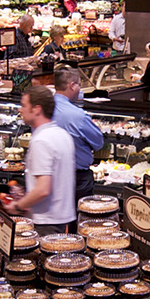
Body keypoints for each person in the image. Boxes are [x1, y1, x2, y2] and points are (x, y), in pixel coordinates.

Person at [1, 84, 76, 234]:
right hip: (61, 218)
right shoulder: (63, 135)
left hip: (44, 222)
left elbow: (43, 190)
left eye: (24, 105)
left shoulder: (40, 141)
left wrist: (18, 206)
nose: (20, 110)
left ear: (37, 109)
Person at [51, 67, 103, 200]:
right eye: (79, 85)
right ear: (72, 85)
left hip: (49, 176)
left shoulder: (44, 109)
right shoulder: (78, 115)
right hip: (76, 179)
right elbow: (98, 143)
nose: (80, 89)